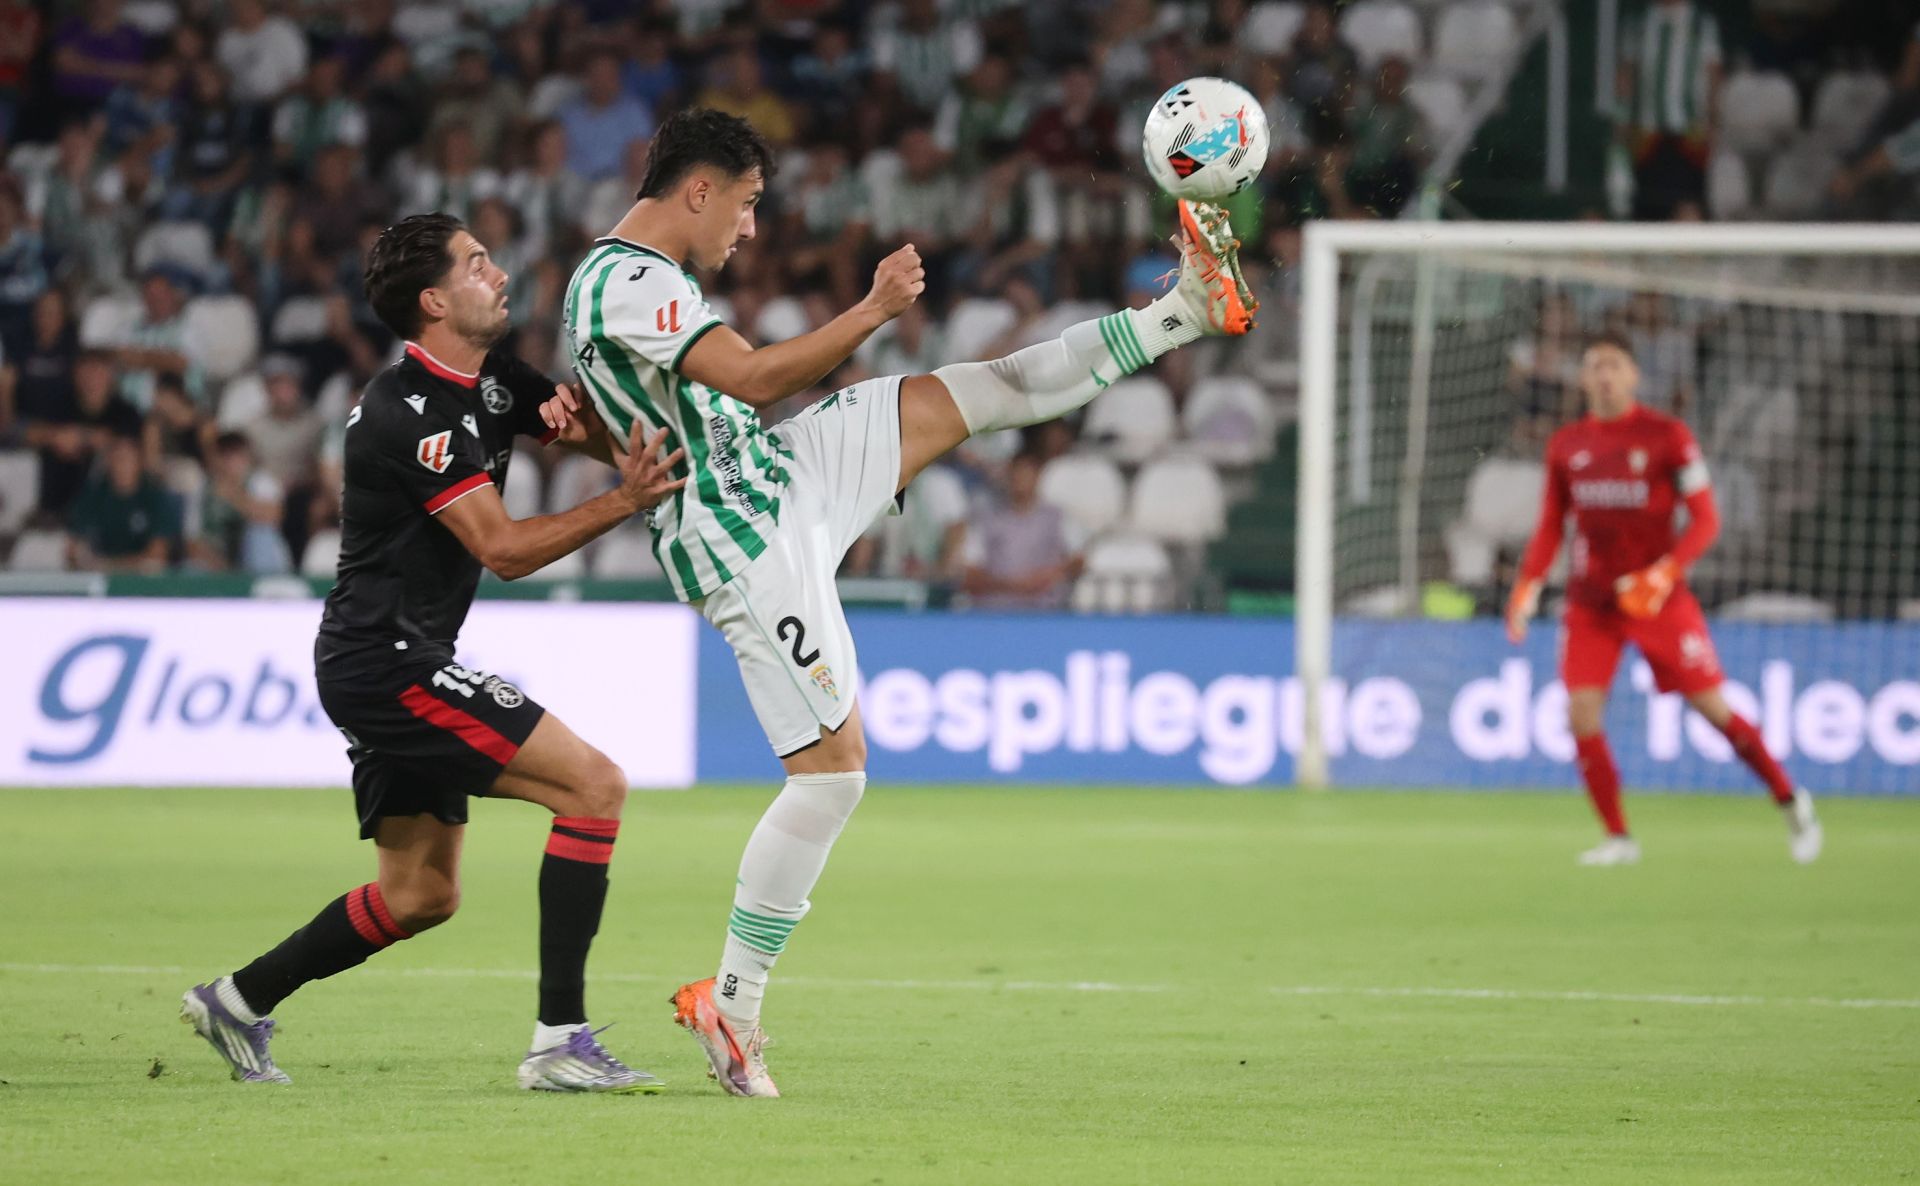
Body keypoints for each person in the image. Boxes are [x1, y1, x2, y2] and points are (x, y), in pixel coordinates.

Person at [552, 107, 1253, 1096]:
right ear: (697, 190)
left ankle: (1184, 308)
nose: (748, 229)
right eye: (745, 206)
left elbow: (660, 418)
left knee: (976, 390)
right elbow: (749, 379)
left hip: (781, 469)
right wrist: (876, 305)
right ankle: (734, 1005)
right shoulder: (624, 281)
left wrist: (582, 428)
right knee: (833, 778)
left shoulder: (636, 285)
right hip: (746, 539)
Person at [180, 213, 685, 1093]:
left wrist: (604, 422)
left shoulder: (494, 379)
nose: (498, 273)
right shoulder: (403, 408)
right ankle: (559, 1041)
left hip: (394, 656)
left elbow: (589, 437)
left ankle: (236, 999)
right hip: (388, 661)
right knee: (595, 787)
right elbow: (505, 550)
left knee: (421, 896)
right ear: (434, 299)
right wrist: (622, 501)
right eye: (477, 263)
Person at [1505, 332, 1821, 867]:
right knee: (1581, 713)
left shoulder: (1667, 436)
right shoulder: (1566, 445)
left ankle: (1790, 799)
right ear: (1583, 379)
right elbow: (1550, 528)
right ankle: (1619, 838)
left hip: (1660, 603)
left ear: (1634, 375)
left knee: (1715, 711)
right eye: (1595, 366)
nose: (1604, 375)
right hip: (1593, 604)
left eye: (1615, 365)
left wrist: (1665, 572)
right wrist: (1527, 584)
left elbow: (1706, 519)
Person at [65, 430, 180, 571]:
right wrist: (82, 555)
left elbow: (157, 555)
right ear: (108, 462)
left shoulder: (155, 497)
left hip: (139, 577)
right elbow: (74, 546)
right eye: (117, 458)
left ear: (140, 462)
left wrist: (112, 565)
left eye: (128, 459)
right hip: (98, 573)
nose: (122, 465)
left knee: (153, 566)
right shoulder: (93, 495)